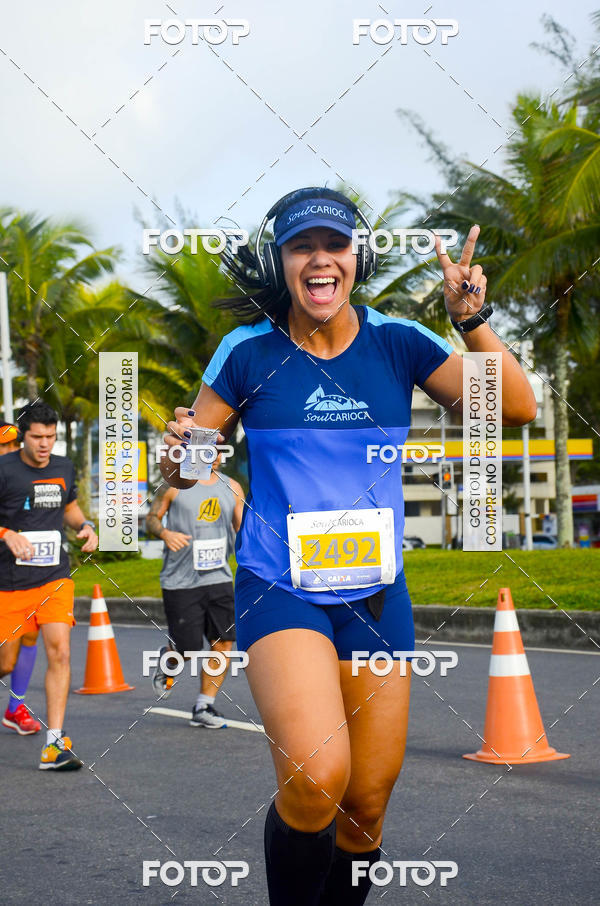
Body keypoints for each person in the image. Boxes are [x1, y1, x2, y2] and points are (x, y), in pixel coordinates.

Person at [160, 187, 537, 905]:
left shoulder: (398, 342)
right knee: (317, 779)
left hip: (376, 596)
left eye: (335, 245)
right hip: (281, 588)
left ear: (356, 257)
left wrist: (470, 318)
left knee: (364, 806)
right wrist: (177, 453)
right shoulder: (247, 352)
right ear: (282, 261)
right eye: (302, 247)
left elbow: (514, 406)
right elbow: (191, 464)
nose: (320, 260)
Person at [0, 402, 98, 770]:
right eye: (37, 437)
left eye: (50, 437)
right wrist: (6, 533)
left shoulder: (63, 467)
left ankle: (53, 744)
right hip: (9, 584)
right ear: (23, 436)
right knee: (5, 663)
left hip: (54, 578)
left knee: (60, 652)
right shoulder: (4, 469)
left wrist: (85, 526)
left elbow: (68, 507)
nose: (44, 444)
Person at [146, 453, 244, 727]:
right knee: (188, 648)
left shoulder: (232, 487)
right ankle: (169, 659)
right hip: (181, 581)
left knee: (223, 642)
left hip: (219, 578)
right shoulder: (174, 485)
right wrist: (165, 533)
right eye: (207, 451)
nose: (213, 457)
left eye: (217, 452)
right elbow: (151, 519)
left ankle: (204, 706)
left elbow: (242, 528)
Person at [0, 422, 42, 736]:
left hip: (25, 572)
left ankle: (16, 708)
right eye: (3, 447)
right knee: (5, 661)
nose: (10, 452)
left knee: (29, 637)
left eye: (14, 446)